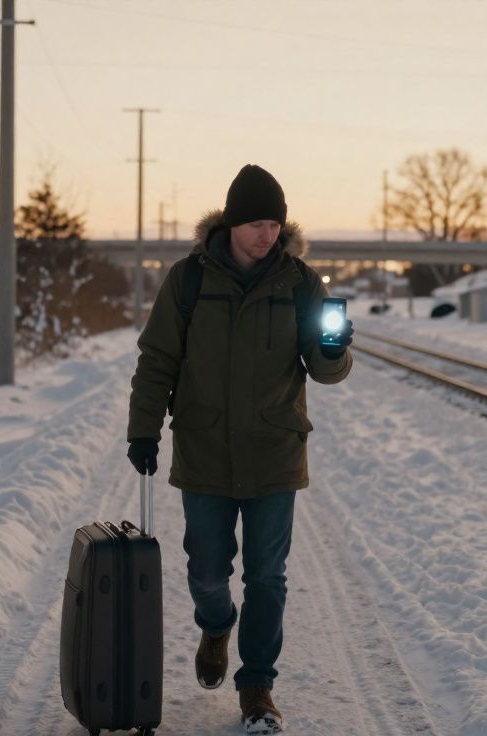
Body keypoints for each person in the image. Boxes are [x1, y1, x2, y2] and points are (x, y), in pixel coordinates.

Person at [126, 164, 353, 733]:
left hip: (275, 452)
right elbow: (158, 360)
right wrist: (144, 429)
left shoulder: (301, 282)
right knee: (206, 569)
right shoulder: (189, 280)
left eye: (274, 224)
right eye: (256, 223)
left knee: (267, 577)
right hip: (205, 449)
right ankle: (216, 623)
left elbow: (326, 374)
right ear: (231, 223)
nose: (267, 235)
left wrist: (333, 348)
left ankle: (257, 690)